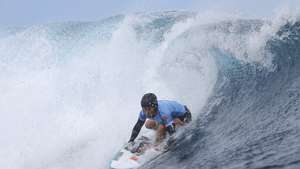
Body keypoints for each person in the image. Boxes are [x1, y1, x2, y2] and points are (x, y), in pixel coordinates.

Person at [128, 93, 192, 147]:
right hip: (168, 119)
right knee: (148, 124)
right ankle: (161, 135)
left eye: (149, 109)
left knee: (162, 126)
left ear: (155, 106)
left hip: (185, 116)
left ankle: (157, 144)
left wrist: (167, 144)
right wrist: (131, 141)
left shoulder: (164, 111)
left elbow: (172, 132)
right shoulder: (143, 112)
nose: (147, 112)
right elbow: (138, 126)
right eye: (144, 109)